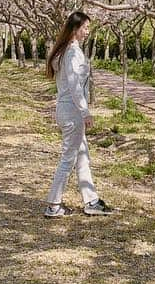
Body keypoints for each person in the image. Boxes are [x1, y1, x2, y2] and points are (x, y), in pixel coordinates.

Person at [44, 11, 113, 218]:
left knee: (82, 156)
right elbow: (75, 87)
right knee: (68, 158)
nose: (87, 32)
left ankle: (91, 200)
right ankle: (53, 205)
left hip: (66, 109)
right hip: (72, 111)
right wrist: (85, 112)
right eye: (85, 28)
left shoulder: (64, 51)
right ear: (75, 29)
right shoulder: (72, 53)